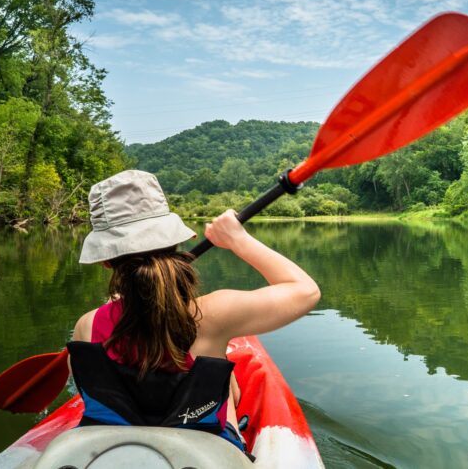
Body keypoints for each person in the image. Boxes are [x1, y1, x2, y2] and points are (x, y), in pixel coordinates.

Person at [68, 170, 320, 453]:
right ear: (174, 242)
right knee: (224, 374)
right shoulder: (215, 315)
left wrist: (119, 306)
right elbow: (306, 290)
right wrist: (238, 240)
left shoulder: (87, 326)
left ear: (105, 261)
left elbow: (94, 391)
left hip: (116, 452)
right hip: (201, 448)